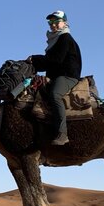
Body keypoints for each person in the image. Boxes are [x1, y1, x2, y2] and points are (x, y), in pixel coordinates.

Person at [28, 10, 82, 145]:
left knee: (55, 95)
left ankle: (62, 134)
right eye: (51, 22)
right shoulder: (55, 40)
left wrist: (35, 59)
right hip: (57, 74)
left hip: (67, 76)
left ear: (64, 23)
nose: (53, 25)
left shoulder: (65, 38)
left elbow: (55, 60)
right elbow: (50, 62)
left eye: (56, 22)